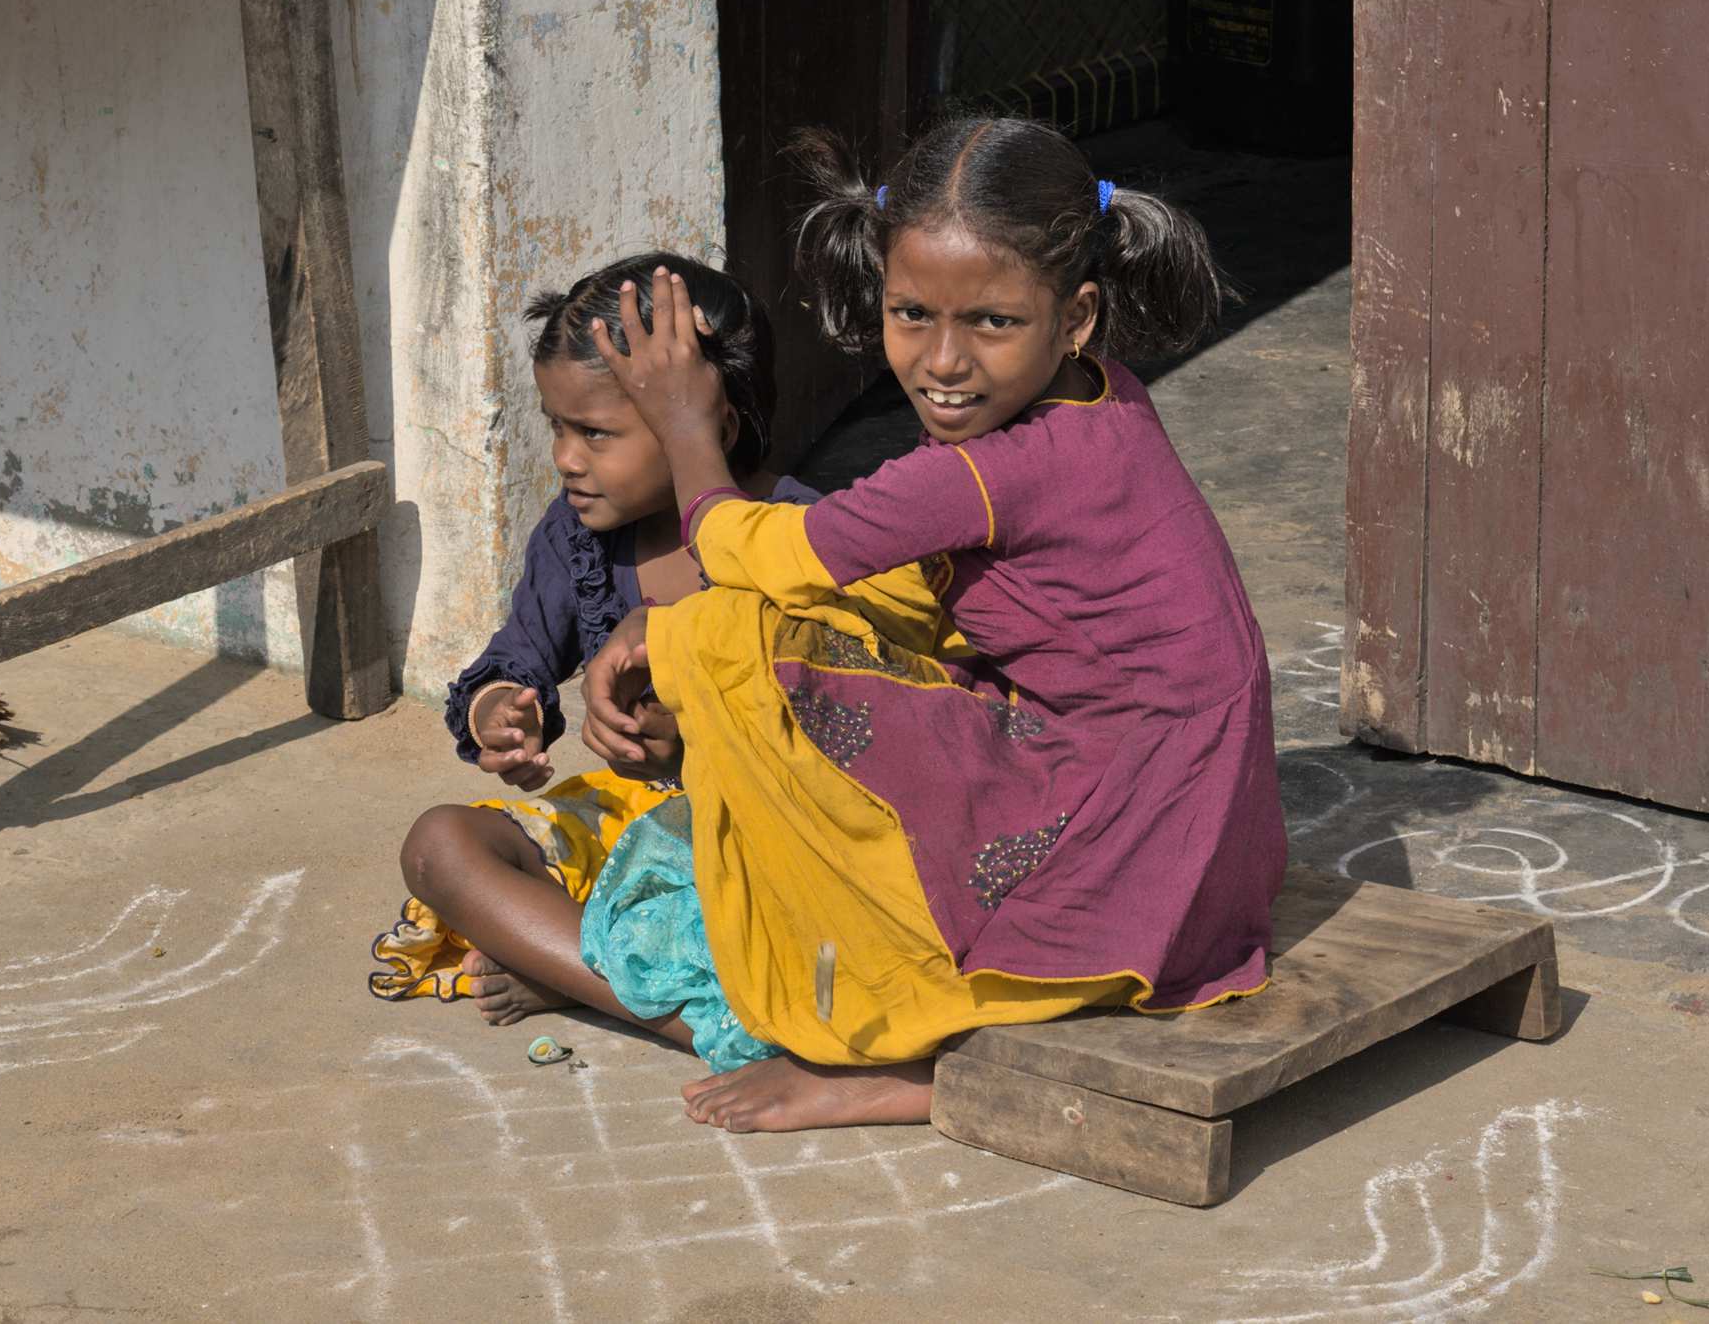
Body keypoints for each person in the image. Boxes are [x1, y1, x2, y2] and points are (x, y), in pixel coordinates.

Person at [578, 116, 1286, 1132]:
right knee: (757, 620)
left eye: (991, 322)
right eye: (912, 314)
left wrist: (685, 422)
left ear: (1076, 317)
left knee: (727, 640)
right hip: (1210, 844)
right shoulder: (1099, 399)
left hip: (1130, 840)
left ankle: (890, 1055)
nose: (943, 362)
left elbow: (752, 551)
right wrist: (656, 626)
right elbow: (902, 578)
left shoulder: (991, 469)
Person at [371, 252, 816, 1073]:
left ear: (710, 428)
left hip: (763, 839)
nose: (567, 458)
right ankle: (633, 985)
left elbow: (838, 732)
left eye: (597, 433)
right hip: (636, 826)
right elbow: (518, 656)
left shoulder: (798, 536)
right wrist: (499, 711)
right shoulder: (577, 538)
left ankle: (589, 976)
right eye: (557, 427)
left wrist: (693, 726)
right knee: (440, 844)